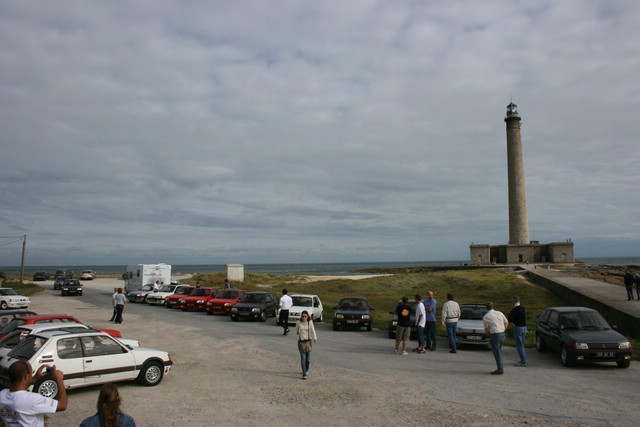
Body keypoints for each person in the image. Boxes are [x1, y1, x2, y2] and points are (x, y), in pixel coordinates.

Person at [0, 360, 68, 427]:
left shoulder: (2, 395)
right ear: (26, 376)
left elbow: (19, 385)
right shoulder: (33, 399)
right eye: (31, 373)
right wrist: (59, 379)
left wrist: (34, 377)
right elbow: (62, 405)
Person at [483, 302, 509, 375]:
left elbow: (486, 329)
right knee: (499, 351)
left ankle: (500, 369)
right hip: (502, 333)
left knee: (497, 353)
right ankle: (500, 367)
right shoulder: (500, 313)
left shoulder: (486, 316)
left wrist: (490, 335)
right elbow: (506, 322)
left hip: (494, 334)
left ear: (486, 308)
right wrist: (503, 330)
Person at [295, 310, 317, 380]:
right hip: (301, 342)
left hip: (308, 341)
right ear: (301, 316)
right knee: (303, 358)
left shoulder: (310, 322)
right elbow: (296, 330)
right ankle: (304, 373)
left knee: (308, 359)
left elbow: (313, 330)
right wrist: (297, 332)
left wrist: (315, 338)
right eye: (303, 316)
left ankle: (306, 369)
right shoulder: (298, 322)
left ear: (307, 317)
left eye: (305, 316)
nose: (304, 317)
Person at [508, 295, 528, 367]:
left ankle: (523, 361)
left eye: (512, 300)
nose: (511, 302)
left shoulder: (515, 309)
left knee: (519, 345)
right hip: (524, 327)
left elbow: (510, 318)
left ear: (515, 301)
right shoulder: (522, 308)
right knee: (522, 344)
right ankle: (524, 359)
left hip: (518, 328)